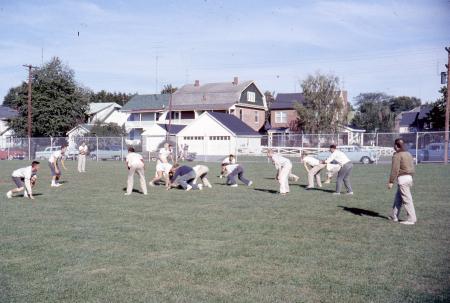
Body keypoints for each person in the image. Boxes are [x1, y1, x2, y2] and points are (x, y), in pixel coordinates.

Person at [387, 138, 417, 225]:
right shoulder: (408, 154)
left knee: (407, 200)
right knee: (398, 198)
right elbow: (412, 167)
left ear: (396, 146)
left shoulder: (397, 155)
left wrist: (391, 181)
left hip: (403, 179)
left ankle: (411, 219)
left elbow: (394, 170)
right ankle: (394, 215)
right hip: (409, 178)